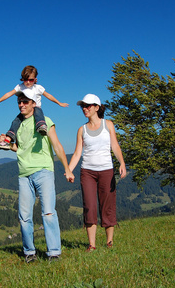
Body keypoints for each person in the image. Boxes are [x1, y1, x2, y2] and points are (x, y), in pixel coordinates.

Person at [0, 89, 74, 263]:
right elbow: (20, 148)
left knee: (48, 213)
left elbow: (57, 146)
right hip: (24, 174)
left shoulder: (45, 122)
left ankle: (54, 253)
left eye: (25, 102)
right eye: (19, 102)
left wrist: (67, 169)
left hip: (43, 171)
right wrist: (6, 143)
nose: (21, 105)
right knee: (24, 216)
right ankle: (29, 253)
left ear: (34, 103)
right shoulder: (18, 126)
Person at [68, 93, 126, 252]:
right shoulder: (82, 130)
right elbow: (77, 153)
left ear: (97, 108)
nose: (84, 109)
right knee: (90, 206)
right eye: (83, 106)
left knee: (107, 205)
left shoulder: (108, 125)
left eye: (88, 106)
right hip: (87, 172)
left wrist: (122, 163)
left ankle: (109, 242)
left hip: (107, 170)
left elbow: (115, 146)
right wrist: (69, 170)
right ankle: (91, 245)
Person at [0, 65, 69, 150]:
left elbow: (48, 95)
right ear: (22, 79)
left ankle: (41, 126)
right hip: (25, 110)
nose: (28, 82)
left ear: (35, 79)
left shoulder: (37, 87)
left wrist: (59, 103)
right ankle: (7, 140)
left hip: (35, 107)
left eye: (31, 80)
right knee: (15, 121)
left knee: (38, 113)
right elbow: (9, 93)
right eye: (25, 79)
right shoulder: (20, 87)